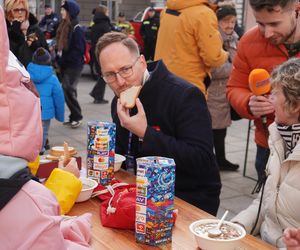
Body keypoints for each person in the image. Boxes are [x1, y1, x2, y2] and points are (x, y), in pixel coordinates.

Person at [96, 32, 221, 215]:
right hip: (137, 193)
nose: (120, 82)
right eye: (110, 75)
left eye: (125, 70)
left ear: (142, 63)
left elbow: (201, 159)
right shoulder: (120, 100)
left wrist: (145, 134)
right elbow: (123, 153)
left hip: (186, 198)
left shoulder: (184, 95)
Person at [0, 5, 91, 248]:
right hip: (33, 131)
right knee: (46, 133)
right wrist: (76, 229)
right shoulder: (26, 199)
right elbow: (33, 224)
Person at [227, 0, 300, 189]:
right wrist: (248, 102)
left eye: (274, 24)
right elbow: (235, 87)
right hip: (268, 145)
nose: (267, 33)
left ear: (295, 9)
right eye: (260, 23)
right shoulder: (249, 42)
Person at [232, 58, 300, 248]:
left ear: (294, 106)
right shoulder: (281, 137)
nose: (270, 98)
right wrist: (236, 227)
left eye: (275, 93)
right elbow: (265, 202)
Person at [154, 0, 228, 95]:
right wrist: (225, 55)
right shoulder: (203, 14)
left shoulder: (167, 10)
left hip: (163, 80)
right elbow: (213, 58)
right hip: (189, 87)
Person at [207, 5, 239, 171]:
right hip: (214, 91)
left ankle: (220, 159)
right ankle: (213, 161)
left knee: (222, 129)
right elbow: (213, 68)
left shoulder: (234, 38)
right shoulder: (213, 39)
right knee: (214, 130)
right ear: (217, 22)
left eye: (233, 21)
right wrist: (235, 69)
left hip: (227, 90)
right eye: (226, 21)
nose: (230, 25)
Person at [27, 47, 65, 154]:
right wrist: (59, 115)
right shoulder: (52, 78)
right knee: (43, 132)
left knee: (30, 130)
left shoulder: (25, 75)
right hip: (45, 111)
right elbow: (59, 97)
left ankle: (30, 149)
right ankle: (40, 149)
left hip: (29, 109)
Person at [56, 0, 85, 128]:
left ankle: (77, 116)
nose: (61, 11)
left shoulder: (76, 28)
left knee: (67, 89)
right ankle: (73, 116)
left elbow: (79, 49)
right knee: (70, 90)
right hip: (65, 64)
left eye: (63, 10)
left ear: (69, 12)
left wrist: (65, 59)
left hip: (73, 65)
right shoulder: (63, 25)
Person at [4, 0, 48, 67]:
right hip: (14, 73)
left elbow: (45, 53)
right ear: (9, 12)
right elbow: (7, 56)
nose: (20, 12)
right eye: (16, 10)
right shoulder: (4, 30)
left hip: (34, 73)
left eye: (23, 9)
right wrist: (14, 33)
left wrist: (34, 43)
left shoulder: (34, 29)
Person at [89, 5, 112, 104]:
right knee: (104, 75)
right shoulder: (104, 25)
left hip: (96, 51)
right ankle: (97, 96)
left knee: (102, 75)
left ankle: (96, 95)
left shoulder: (95, 24)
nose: (108, 14)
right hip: (103, 52)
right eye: (107, 12)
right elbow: (108, 39)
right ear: (103, 13)